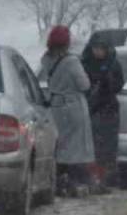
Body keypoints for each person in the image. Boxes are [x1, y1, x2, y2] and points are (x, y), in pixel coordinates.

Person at [39, 25, 95, 197]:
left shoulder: (46, 59)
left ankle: (59, 179)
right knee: (77, 145)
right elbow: (84, 84)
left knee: (61, 143)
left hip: (55, 106)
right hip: (73, 106)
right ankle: (75, 181)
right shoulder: (72, 61)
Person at [81, 35, 125, 192]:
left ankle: (103, 180)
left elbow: (119, 84)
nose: (98, 52)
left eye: (101, 49)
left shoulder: (114, 64)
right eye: (95, 48)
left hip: (108, 109)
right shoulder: (85, 63)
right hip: (91, 110)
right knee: (91, 149)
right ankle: (92, 180)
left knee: (106, 150)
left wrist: (108, 83)